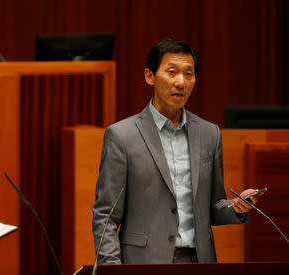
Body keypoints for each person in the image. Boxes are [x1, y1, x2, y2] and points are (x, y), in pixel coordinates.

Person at [92, 39, 260, 264]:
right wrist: (112, 269)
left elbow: (213, 206)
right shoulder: (122, 136)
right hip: (143, 263)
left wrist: (236, 206)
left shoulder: (210, 134)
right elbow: (106, 216)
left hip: (198, 261)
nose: (180, 82)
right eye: (172, 72)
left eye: (188, 74)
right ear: (149, 76)